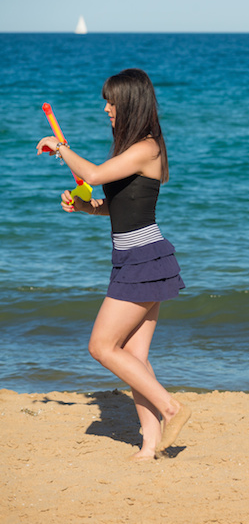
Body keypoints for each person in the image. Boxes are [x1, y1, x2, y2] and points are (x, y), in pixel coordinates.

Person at [37, 68, 191, 461]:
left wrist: (60, 148)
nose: (106, 108)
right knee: (134, 359)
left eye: (112, 101)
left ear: (130, 103)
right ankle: (150, 445)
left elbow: (91, 173)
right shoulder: (131, 152)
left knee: (102, 346)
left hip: (142, 258)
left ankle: (172, 408)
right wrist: (87, 206)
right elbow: (119, 209)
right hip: (134, 257)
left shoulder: (147, 147)